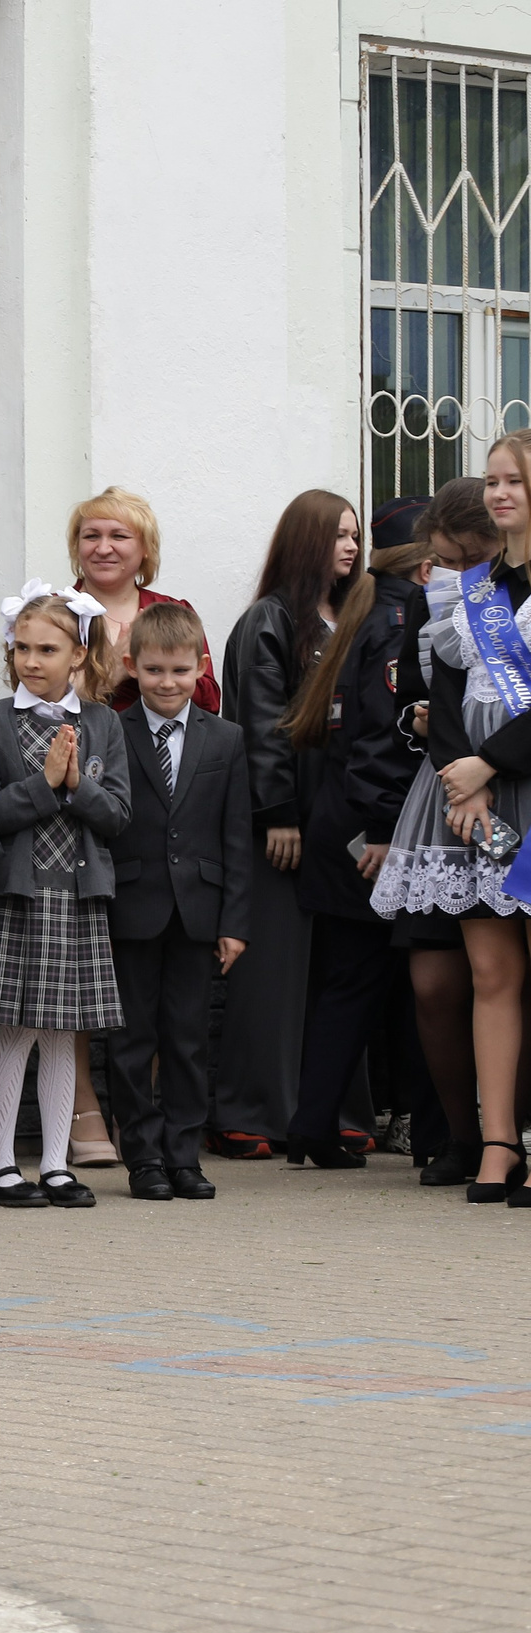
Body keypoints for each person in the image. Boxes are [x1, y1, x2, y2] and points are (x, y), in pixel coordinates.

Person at [0, 587, 133, 1208]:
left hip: (78, 897)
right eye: (22, 648)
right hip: (18, 896)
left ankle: (57, 1164)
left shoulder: (104, 722)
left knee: (65, 1032)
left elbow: (116, 814)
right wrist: (45, 783)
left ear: (78, 657)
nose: (31, 660)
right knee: (16, 1029)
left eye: (48, 649)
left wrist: (77, 783)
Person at [214, 492, 367, 1159]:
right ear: (306, 541)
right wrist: (277, 812)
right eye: (338, 535)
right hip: (283, 823)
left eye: (356, 536)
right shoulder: (269, 621)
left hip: (344, 817)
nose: (352, 547)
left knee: (341, 971)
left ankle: (331, 1108)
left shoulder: (358, 616)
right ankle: (253, 1110)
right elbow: (261, 722)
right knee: (273, 972)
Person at [373, 477, 504, 1187]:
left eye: (462, 553)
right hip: (443, 794)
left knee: (502, 976)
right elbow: (416, 692)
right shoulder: (440, 596)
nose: (449, 566)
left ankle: (504, 1134)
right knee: (432, 981)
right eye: (445, 555)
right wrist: (420, 721)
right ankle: (460, 1130)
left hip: (510, 785)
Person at [412, 428, 531, 1206]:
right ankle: (497, 1142)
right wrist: (467, 779)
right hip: (481, 797)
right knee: (490, 972)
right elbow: (445, 689)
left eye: (513, 480)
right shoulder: (472, 589)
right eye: (492, 481)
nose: (497, 493)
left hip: (522, 777)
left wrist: (493, 762)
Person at [101, 602, 251, 1201]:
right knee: (132, 1040)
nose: (168, 684)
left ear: (200, 670)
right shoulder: (110, 728)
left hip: (199, 913)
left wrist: (234, 921)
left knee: (188, 1039)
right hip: (131, 907)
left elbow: (237, 835)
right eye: (156, 670)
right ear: (133, 667)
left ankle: (184, 1156)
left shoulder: (227, 738)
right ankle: (143, 1157)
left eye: (181, 672)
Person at [277, 553, 413, 1171]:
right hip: (371, 833)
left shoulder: (360, 618)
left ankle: (314, 1124)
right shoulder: (393, 625)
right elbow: (382, 741)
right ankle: (427, 1132)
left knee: (347, 986)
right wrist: (384, 826)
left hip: (339, 824)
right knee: (377, 984)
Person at [70, 486, 219, 713]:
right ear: (77, 546)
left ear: (146, 548)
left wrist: (156, 668)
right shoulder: (52, 613)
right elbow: (36, 704)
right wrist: (113, 670)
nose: (102, 548)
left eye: (119, 536)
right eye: (91, 536)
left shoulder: (171, 610)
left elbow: (209, 704)